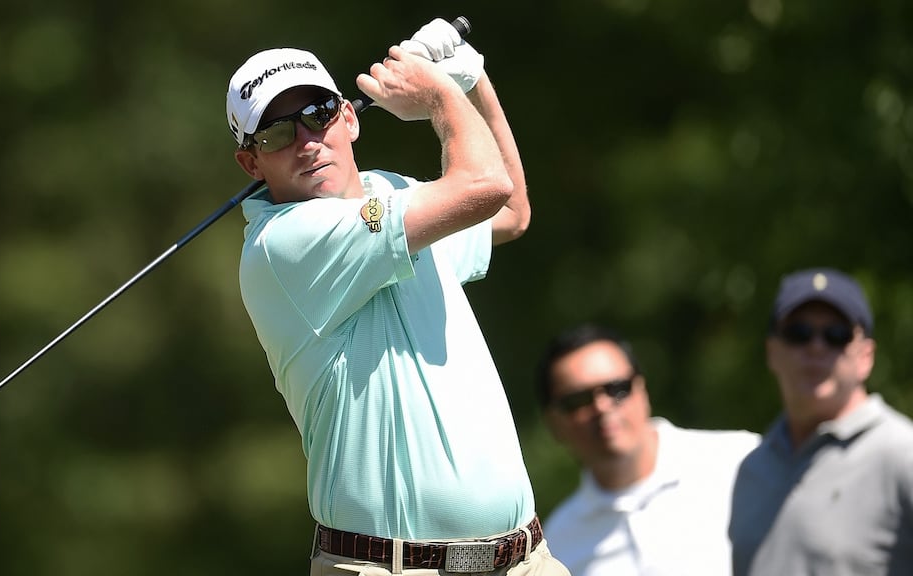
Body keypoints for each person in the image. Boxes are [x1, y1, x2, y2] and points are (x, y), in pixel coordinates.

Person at [225, 18, 569, 576]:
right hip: (390, 568)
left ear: (348, 120)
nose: (308, 141)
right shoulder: (282, 245)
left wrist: (472, 79)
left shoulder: (398, 194)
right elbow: (484, 187)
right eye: (277, 134)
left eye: (318, 115)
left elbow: (509, 213)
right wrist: (439, 94)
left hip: (525, 561)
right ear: (251, 163)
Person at [729, 267, 913, 575]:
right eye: (798, 334)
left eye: (836, 336)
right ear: (772, 352)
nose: (816, 347)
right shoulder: (752, 469)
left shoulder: (902, 455)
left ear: (866, 356)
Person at [536, 323, 760, 575]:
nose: (602, 406)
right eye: (578, 400)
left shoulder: (741, 459)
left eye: (617, 388)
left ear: (642, 390)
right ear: (553, 423)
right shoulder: (556, 544)